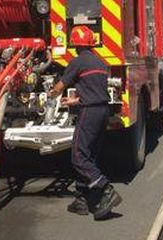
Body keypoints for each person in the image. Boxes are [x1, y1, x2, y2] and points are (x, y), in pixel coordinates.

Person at [48, 25, 122, 220]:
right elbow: (94, 90)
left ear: (75, 45)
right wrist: (75, 101)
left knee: (79, 155)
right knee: (89, 155)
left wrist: (50, 93)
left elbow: (60, 86)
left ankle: (106, 189)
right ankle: (82, 200)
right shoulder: (99, 62)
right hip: (102, 111)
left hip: (89, 113)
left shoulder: (78, 62)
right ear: (90, 43)